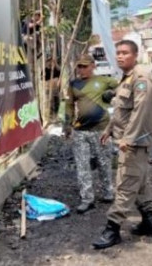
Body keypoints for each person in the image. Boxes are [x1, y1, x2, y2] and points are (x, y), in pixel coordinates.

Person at [92, 40, 152, 249]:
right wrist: (109, 130)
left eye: (125, 53)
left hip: (134, 143)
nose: (120, 56)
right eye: (118, 53)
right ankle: (150, 222)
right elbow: (122, 110)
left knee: (125, 184)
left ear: (135, 55)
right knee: (139, 182)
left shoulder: (141, 77)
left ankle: (112, 229)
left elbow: (141, 111)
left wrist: (128, 139)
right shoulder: (126, 78)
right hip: (127, 140)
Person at [64, 53, 118, 214]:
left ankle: (108, 192)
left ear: (93, 66)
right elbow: (68, 105)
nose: (81, 70)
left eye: (84, 66)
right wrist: (66, 125)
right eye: (79, 66)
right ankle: (87, 199)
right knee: (82, 166)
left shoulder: (103, 81)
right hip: (80, 130)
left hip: (101, 130)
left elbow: (123, 85)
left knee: (104, 162)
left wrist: (111, 94)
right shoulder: (74, 84)